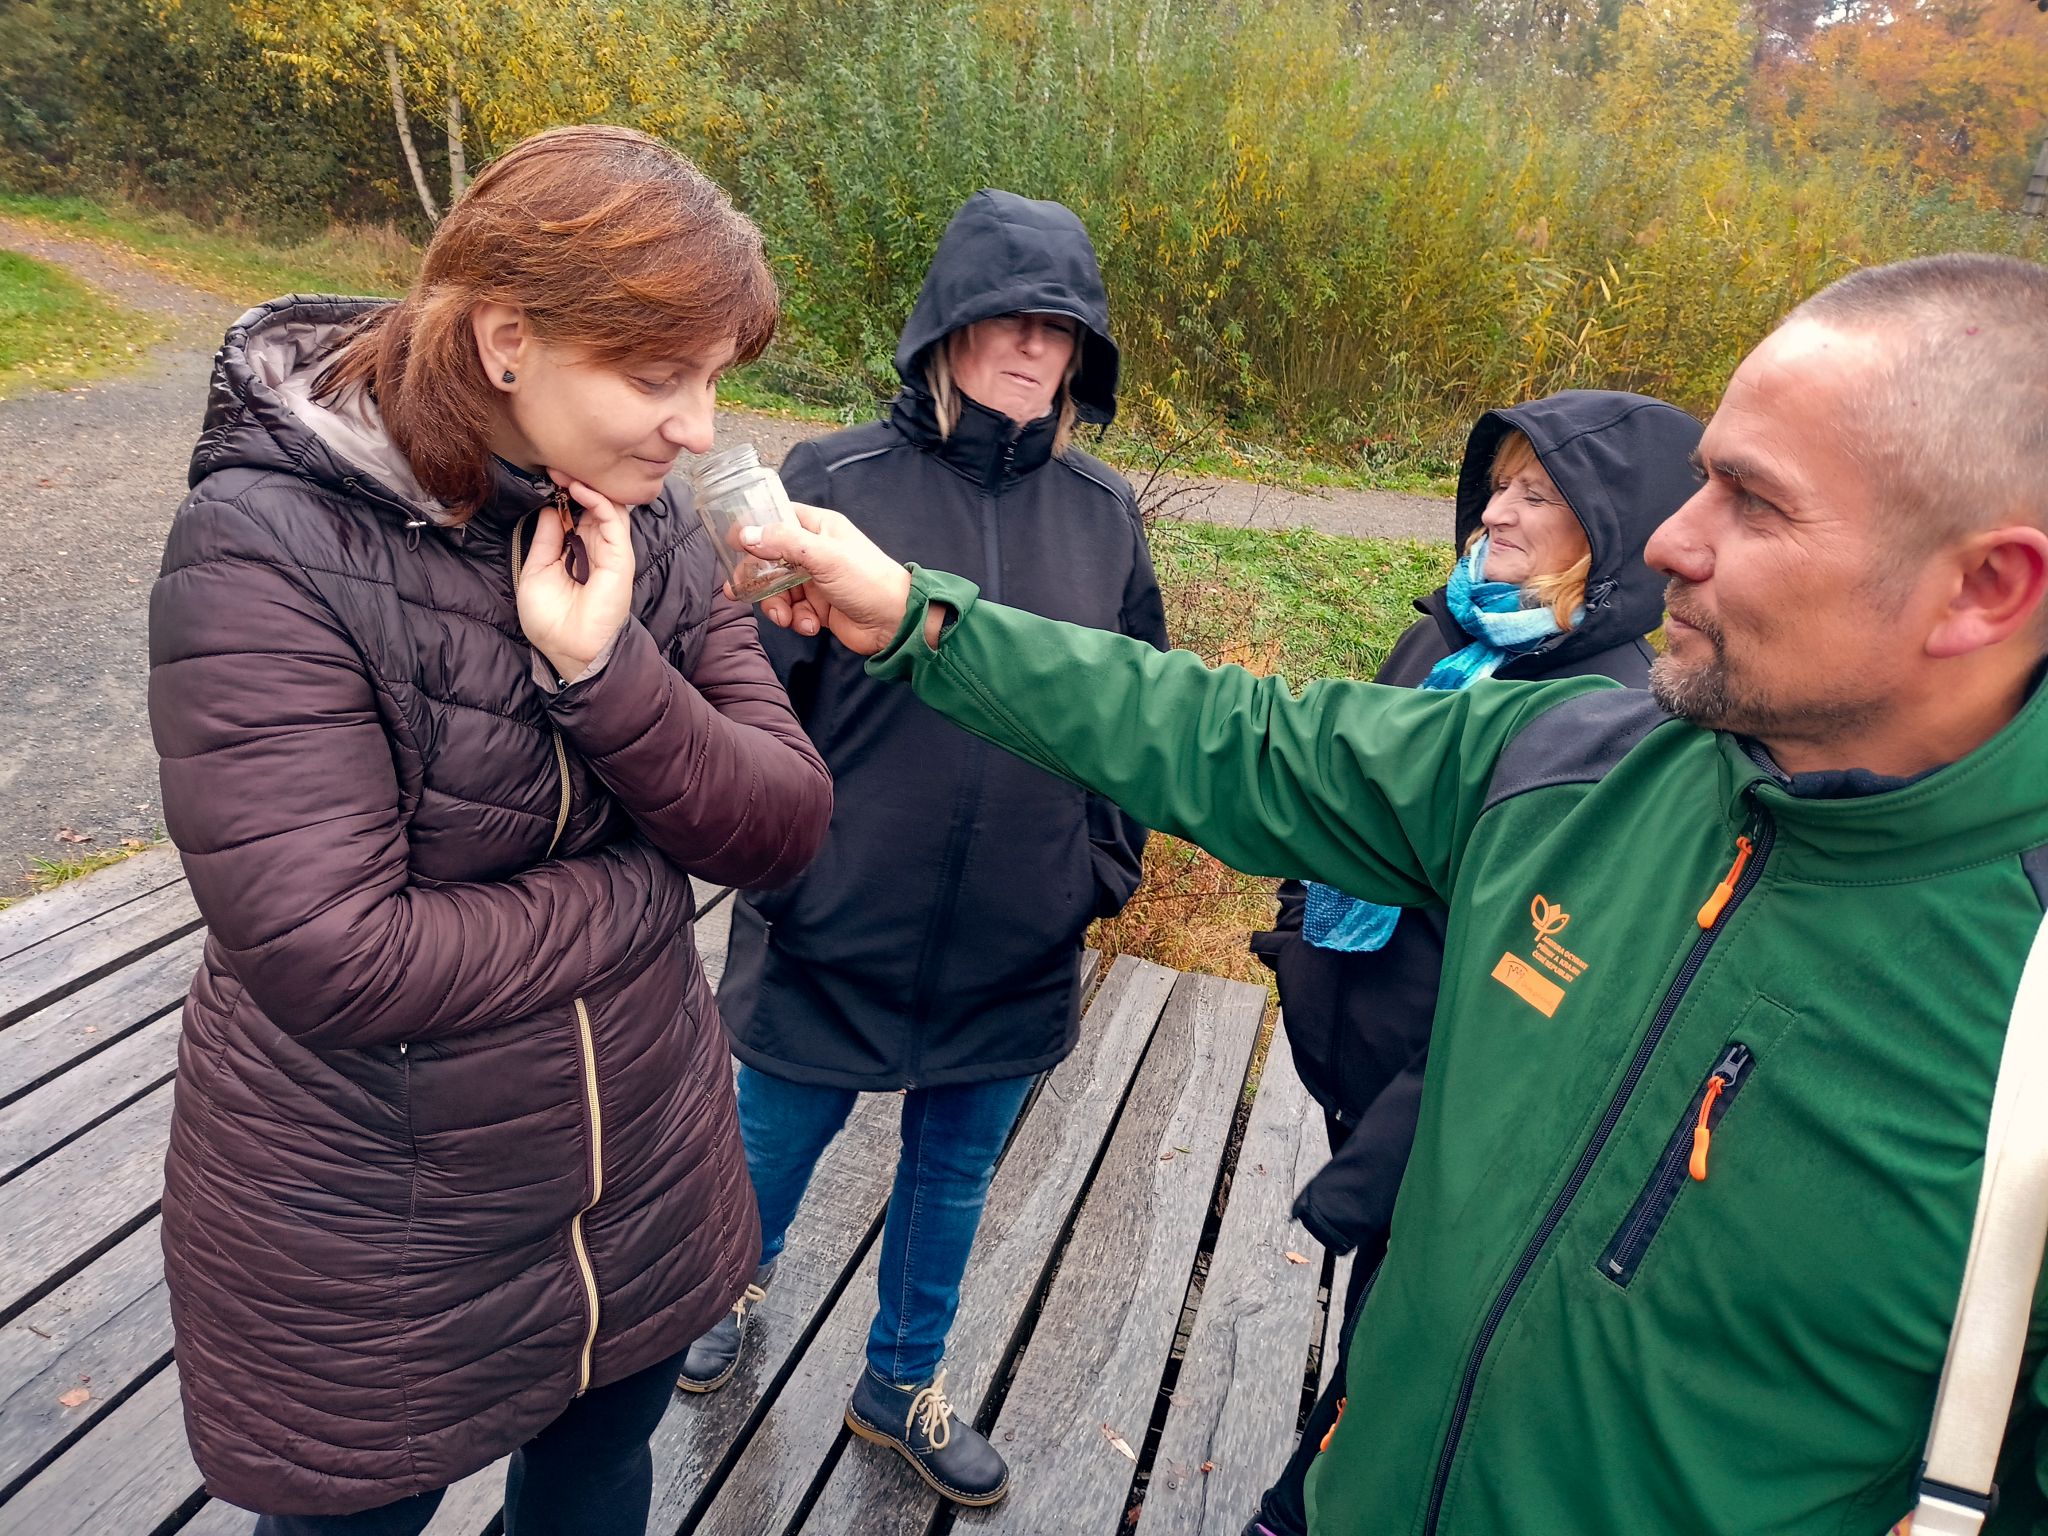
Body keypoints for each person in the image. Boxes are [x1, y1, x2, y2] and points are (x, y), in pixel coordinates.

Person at [730, 251, 2048, 1534]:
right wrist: (921, 617)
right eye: (1701, 479)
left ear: (1985, 588)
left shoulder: (2022, 1002)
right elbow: (1237, 736)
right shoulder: (1574, 766)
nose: (1669, 540)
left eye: (1751, 502)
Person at [147, 125, 832, 1535]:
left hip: (641, 1173)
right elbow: (337, 957)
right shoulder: (269, 548)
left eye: (713, 379)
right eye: (658, 377)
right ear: (508, 340)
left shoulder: (650, 524)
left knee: (597, 1480)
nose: (700, 431)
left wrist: (607, 675)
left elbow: (782, 822)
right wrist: (644, 895)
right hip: (377, 1223)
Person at [682, 188, 1165, 1506]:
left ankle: (900, 1386)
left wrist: (1096, 869)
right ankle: (723, 1287)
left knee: (952, 1181)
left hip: (1016, 935)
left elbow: (1141, 716)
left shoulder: (1103, 513)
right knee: (765, 1146)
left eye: (1060, 328)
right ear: (948, 327)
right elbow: (749, 695)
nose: (1033, 344)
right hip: (834, 922)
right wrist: (785, 871)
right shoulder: (833, 485)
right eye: (1008, 316)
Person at [1243, 389, 1703, 1536]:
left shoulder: (1609, 723)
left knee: (1403, 1332)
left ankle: (1299, 1508)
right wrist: (1298, 938)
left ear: (1609, 531)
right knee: (1374, 1310)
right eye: (1496, 486)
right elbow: (1332, 797)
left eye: (1535, 496)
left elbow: (1532, 1002)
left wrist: (1379, 1160)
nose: (1492, 514)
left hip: (1448, 1118)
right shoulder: (1445, 639)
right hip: (1352, 1067)